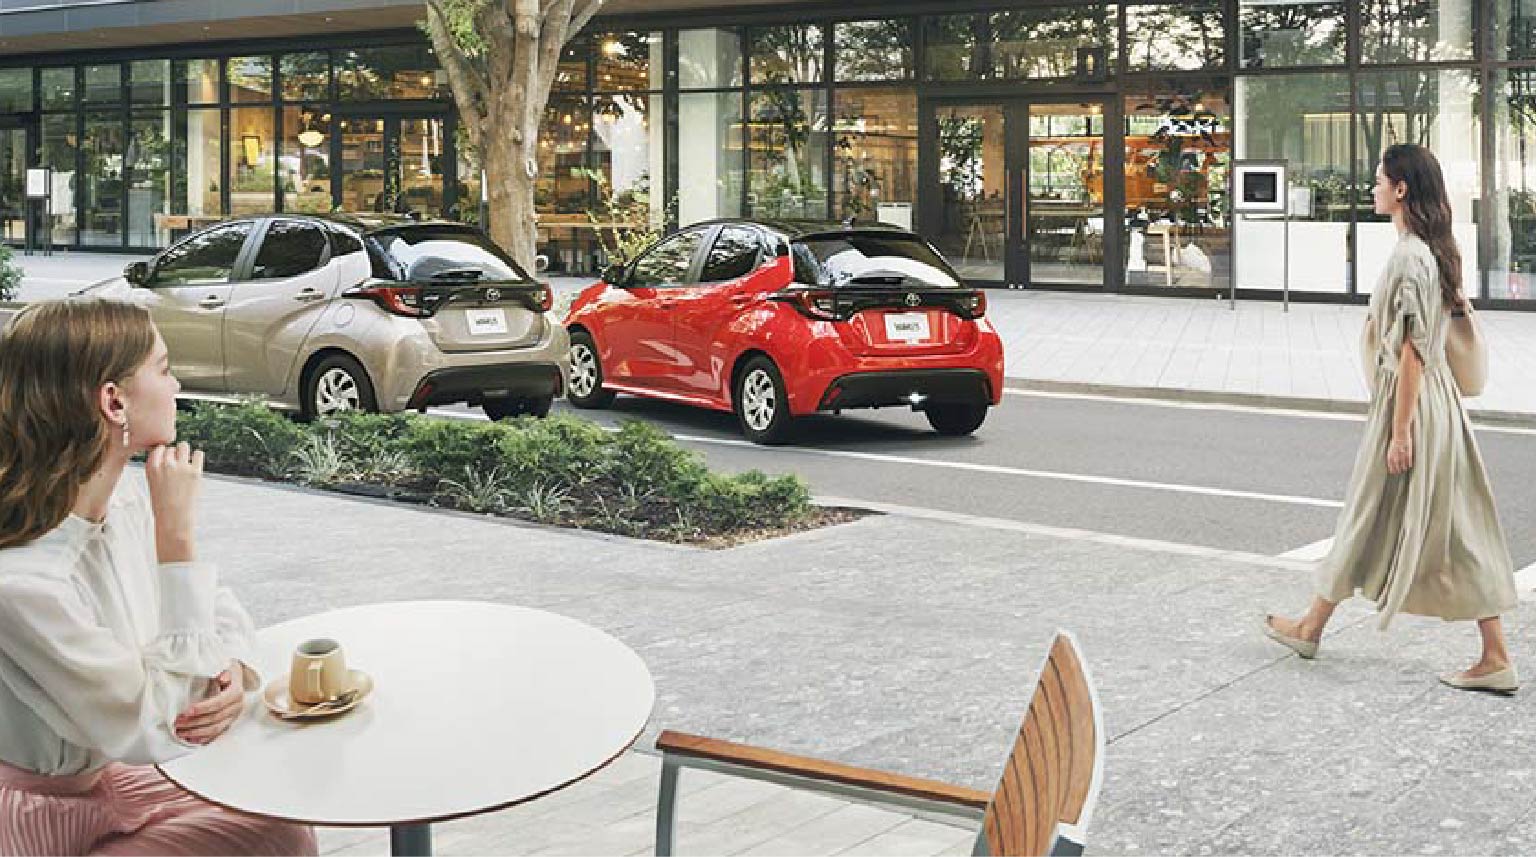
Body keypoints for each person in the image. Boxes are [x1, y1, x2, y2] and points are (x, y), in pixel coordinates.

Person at [0, 299, 316, 855]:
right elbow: (157, 726)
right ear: (113, 400)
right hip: (37, 821)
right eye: (164, 369)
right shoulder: (25, 584)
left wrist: (235, 675)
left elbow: (216, 608)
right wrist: (177, 540)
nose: (175, 387)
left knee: (278, 818)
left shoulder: (121, 500)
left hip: (108, 782)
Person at [1263, 144, 1519, 694]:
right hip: (1440, 407)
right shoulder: (1431, 249)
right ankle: (1493, 654)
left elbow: (1412, 351)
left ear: (1400, 189)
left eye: (1379, 181)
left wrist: (1400, 431)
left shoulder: (1409, 257)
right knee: (1457, 528)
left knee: (1366, 511)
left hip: (1414, 407)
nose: (1373, 188)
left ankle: (1311, 627)